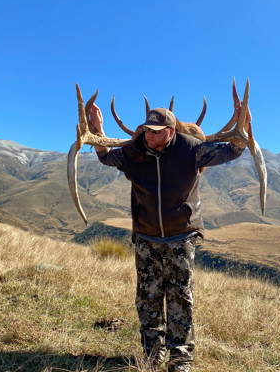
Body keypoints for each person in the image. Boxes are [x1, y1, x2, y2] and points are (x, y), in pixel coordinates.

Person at [89, 104, 246, 372]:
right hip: (146, 237)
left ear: (171, 131)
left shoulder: (192, 149)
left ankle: (180, 358)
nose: (150, 136)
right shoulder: (134, 150)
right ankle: (152, 354)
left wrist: (243, 130)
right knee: (147, 297)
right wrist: (98, 131)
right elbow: (107, 158)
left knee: (180, 298)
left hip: (181, 237)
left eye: (157, 131)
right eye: (148, 130)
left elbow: (231, 151)